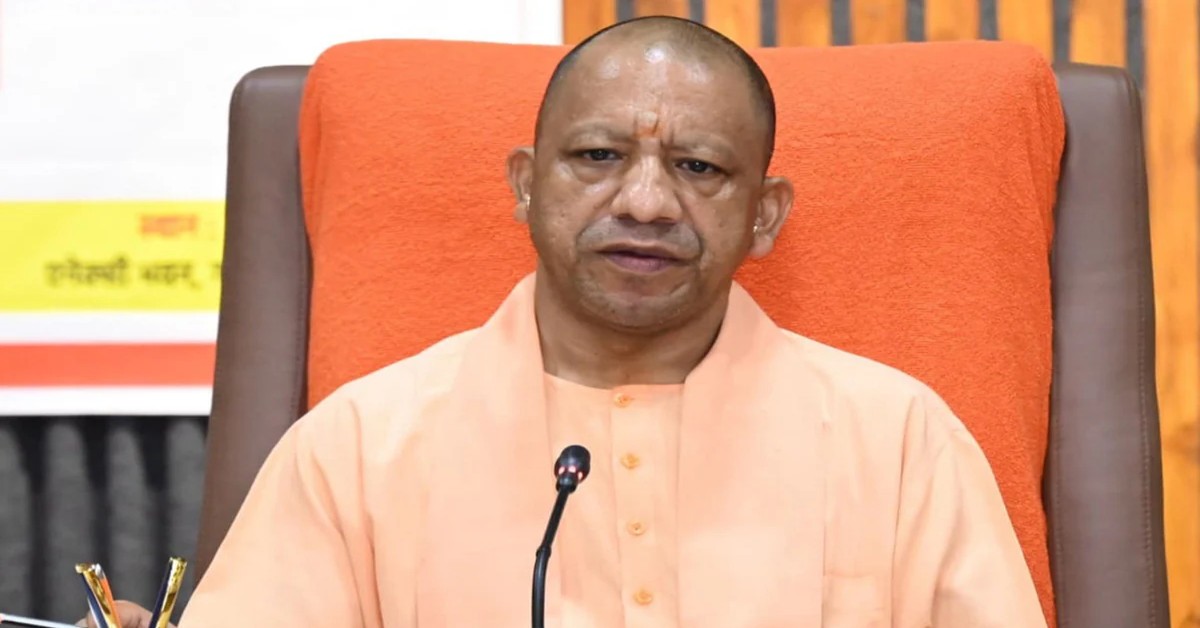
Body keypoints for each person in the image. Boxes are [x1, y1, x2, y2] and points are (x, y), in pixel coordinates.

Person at [85, 15, 1046, 628]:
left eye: (699, 168)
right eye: (596, 157)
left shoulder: (898, 440)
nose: (645, 202)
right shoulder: (360, 447)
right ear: (524, 185)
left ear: (764, 215)